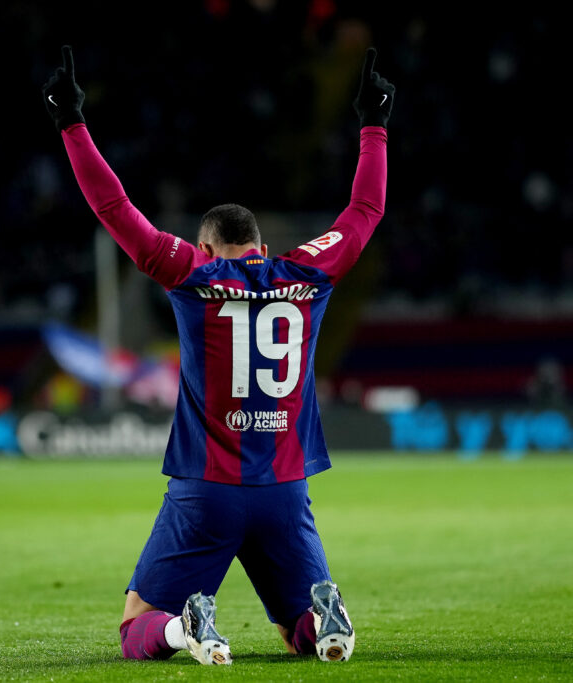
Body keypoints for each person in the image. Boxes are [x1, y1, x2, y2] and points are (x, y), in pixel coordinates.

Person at [42, 43, 394, 665]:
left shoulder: (191, 275)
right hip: (285, 489)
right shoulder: (306, 273)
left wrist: (72, 123)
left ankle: (186, 628)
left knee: (137, 627)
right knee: (297, 632)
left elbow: (113, 207)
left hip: (208, 489)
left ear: (206, 245)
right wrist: (374, 126)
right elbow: (365, 211)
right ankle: (326, 617)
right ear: (260, 244)